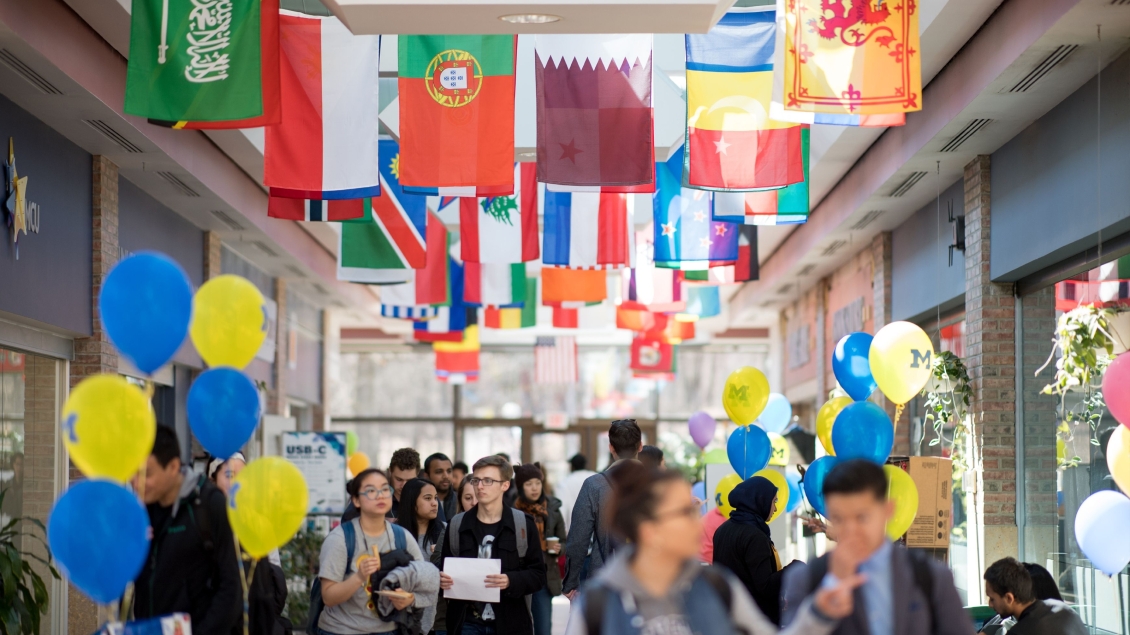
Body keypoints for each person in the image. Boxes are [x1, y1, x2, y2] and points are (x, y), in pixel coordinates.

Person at [565, 461, 864, 635]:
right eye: (684, 512)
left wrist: (819, 613)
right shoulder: (597, 606)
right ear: (650, 531)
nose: (698, 523)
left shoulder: (717, 587)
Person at [781, 459, 973, 635]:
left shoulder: (931, 577)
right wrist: (819, 613)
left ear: (887, 510)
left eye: (862, 517)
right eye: (838, 518)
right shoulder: (806, 579)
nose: (851, 530)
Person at [133, 426, 241, 633]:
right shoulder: (139, 510)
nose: (137, 483)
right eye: (133, 473)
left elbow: (231, 588)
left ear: (173, 467)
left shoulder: (209, 505)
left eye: (147, 474)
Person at [318, 468, 438, 635]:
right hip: (342, 630)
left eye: (384, 489)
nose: (380, 495)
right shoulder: (340, 539)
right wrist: (359, 576)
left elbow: (423, 581)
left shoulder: (401, 537)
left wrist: (409, 599)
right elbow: (328, 597)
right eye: (371, 491)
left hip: (390, 630)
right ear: (356, 500)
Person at [438, 455, 547, 635]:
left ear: (505, 485)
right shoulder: (457, 525)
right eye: (476, 480)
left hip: (510, 621)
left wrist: (510, 580)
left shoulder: (523, 525)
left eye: (488, 480)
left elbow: (538, 575)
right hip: (467, 622)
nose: (480, 486)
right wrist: (441, 579)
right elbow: (443, 570)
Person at [209, 454, 291, 635]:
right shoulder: (200, 522)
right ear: (212, 480)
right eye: (229, 475)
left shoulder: (260, 525)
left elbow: (275, 580)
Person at [563, 419, 641, 600]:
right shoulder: (658, 484)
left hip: (605, 580)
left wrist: (570, 582)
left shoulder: (594, 485)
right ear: (640, 446)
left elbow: (578, 539)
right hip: (650, 582)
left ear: (611, 447)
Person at [712, 476, 798, 625]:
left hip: (727, 616)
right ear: (761, 500)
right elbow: (766, 586)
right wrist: (793, 568)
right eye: (774, 502)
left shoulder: (722, 530)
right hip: (756, 620)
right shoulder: (755, 536)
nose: (775, 508)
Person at [513, 463, 567, 635]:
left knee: (543, 628)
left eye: (537, 482)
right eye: (529, 484)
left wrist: (559, 548)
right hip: (520, 576)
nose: (534, 488)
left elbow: (565, 541)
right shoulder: (513, 512)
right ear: (521, 487)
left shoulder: (553, 510)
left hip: (544, 575)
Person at [983, 557, 1086, 635]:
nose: (990, 605)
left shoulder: (1020, 632)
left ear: (1009, 598)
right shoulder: (1064, 610)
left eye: (992, 599)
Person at [398, 477, 445, 557]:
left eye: (435, 498)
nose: (435, 503)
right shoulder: (395, 534)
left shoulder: (446, 530)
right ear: (412, 501)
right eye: (428, 498)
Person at [557, 454, 596, 532]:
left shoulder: (565, 483)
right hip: (596, 530)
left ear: (572, 466)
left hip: (574, 530)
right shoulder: (596, 477)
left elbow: (562, 509)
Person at [389, 448, 422, 519]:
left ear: (417, 474)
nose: (404, 486)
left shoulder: (428, 496)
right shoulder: (378, 498)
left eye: (410, 480)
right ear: (390, 471)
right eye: (399, 479)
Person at [425, 453, 459, 523]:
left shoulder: (460, 500)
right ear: (427, 476)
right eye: (439, 472)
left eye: (449, 471)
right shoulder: (420, 503)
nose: (446, 476)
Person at [1, 452, 23, 525]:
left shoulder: (26, 484)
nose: (19, 468)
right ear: (13, 465)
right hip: (13, 520)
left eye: (21, 465)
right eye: (17, 464)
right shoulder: (8, 484)